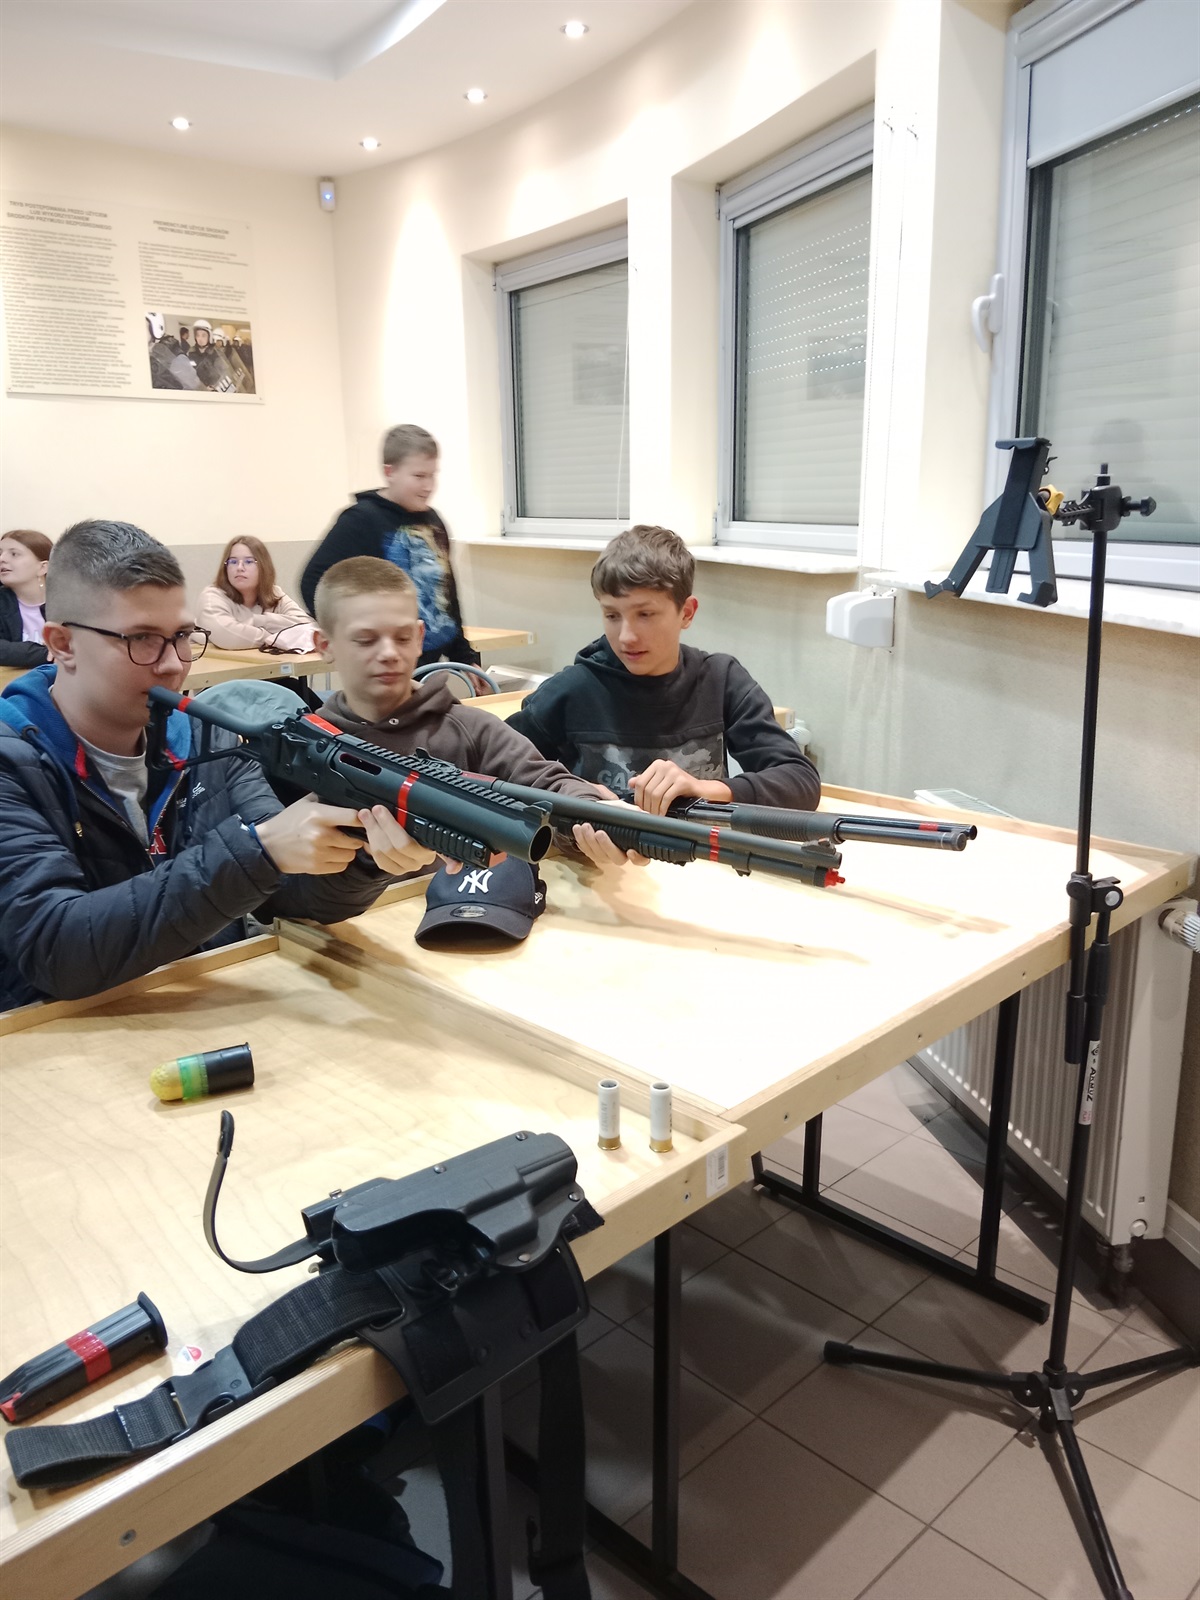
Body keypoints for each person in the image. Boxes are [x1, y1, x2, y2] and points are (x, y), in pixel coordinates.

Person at [0, 520, 434, 1011]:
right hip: (61, 1034)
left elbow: (287, 894)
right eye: (142, 639)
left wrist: (364, 855)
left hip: (210, 1002)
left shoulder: (209, 737)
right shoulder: (12, 762)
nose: (173, 664)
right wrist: (259, 852)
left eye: (183, 635)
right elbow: (54, 949)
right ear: (62, 644)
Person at [312, 557, 644, 870]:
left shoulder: (470, 729)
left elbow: (544, 783)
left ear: (420, 637)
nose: (388, 653)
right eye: (365, 640)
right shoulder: (310, 744)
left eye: (402, 637)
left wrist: (595, 813)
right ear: (324, 645)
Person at [508, 524, 821, 815]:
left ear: (686, 613)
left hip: (699, 851)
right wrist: (566, 790)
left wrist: (703, 789)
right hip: (597, 855)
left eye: (645, 614)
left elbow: (801, 782)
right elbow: (494, 770)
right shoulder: (570, 691)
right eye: (612, 615)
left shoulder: (721, 681)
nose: (626, 637)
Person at [301, 424, 476, 669]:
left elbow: (446, 596)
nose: (428, 486)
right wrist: (352, 638)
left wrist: (465, 657)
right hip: (383, 666)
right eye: (419, 476)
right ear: (389, 471)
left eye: (433, 475)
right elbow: (313, 580)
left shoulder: (434, 522)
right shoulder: (360, 520)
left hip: (429, 665)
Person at [198, 536, 314, 651]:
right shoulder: (211, 597)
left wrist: (260, 621)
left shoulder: (274, 593)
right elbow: (227, 637)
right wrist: (276, 638)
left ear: (263, 566)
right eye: (233, 561)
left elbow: (309, 626)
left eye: (248, 561)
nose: (239, 568)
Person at [0, 528, 52, 669]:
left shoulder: (70, 601)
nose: (2, 559)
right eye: (0, 553)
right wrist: (46, 654)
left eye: (14, 554)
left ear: (43, 567)